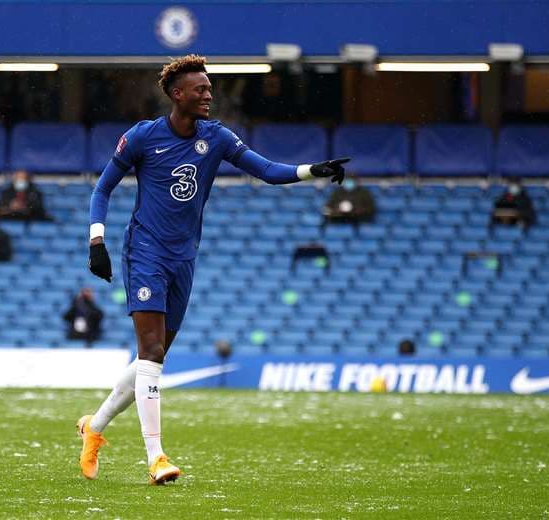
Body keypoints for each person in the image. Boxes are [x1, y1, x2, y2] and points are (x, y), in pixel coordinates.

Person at [78, 54, 349, 485]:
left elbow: (266, 171)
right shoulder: (143, 136)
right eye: (200, 89)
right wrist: (97, 241)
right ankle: (156, 458)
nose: (209, 95)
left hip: (184, 257)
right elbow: (103, 188)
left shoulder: (217, 137)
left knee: (153, 357)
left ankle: (94, 427)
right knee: (151, 352)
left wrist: (312, 170)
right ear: (177, 94)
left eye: (209, 88)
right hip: (145, 251)